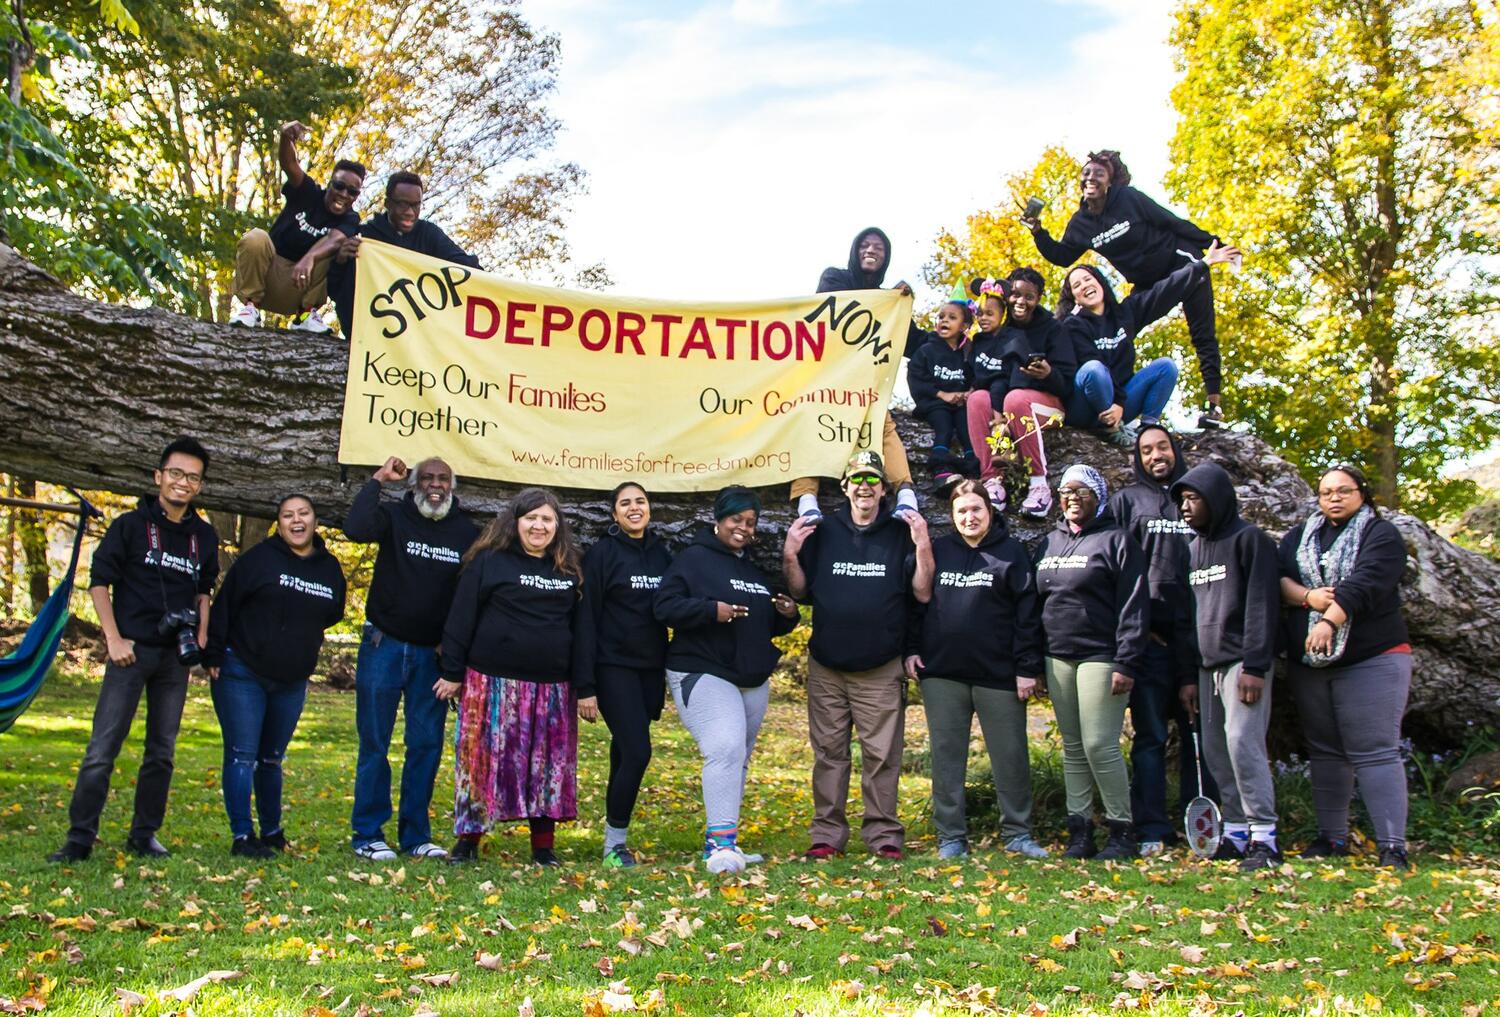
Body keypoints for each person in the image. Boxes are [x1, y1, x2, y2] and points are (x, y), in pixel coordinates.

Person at [49, 437, 220, 862]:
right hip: (130, 651)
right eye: (176, 473)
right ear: (158, 476)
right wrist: (112, 638)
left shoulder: (203, 536)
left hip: (173, 659)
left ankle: (144, 834)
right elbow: (100, 582)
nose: (183, 483)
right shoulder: (129, 526)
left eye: (193, 477)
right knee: (102, 749)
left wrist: (202, 635)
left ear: (200, 485)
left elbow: (203, 590)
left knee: (162, 752)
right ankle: (79, 838)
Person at [783, 451, 934, 861]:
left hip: (880, 667)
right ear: (845, 488)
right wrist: (791, 554)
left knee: (882, 755)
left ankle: (884, 834)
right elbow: (799, 592)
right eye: (857, 480)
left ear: (884, 490)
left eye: (872, 481)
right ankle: (827, 835)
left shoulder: (899, 531)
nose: (864, 487)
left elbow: (922, 591)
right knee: (829, 754)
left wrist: (922, 545)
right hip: (827, 666)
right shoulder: (825, 530)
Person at [1022, 149, 1234, 426]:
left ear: (1111, 181)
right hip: (1145, 282)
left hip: (1181, 264)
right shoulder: (1080, 224)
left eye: (1099, 173)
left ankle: (1213, 407)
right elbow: (1062, 257)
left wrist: (1213, 246)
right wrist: (1038, 232)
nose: (1091, 177)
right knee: (1119, 332)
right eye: (1086, 173)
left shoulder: (1128, 199)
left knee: (1202, 333)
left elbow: (1170, 221)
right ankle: (1116, 401)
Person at [437, 488, 592, 866]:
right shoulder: (489, 560)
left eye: (547, 519)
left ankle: (543, 847)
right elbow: (461, 617)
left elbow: (585, 632)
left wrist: (586, 688)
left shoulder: (570, 569)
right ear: (516, 522)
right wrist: (452, 672)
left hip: (553, 690)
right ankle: (467, 841)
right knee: (480, 762)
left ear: (558, 527)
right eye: (531, 518)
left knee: (546, 767)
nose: (538, 526)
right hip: (490, 684)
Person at [653, 487, 800, 874]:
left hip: (751, 677)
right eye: (736, 520)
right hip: (702, 669)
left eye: (750, 522)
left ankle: (721, 839)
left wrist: (786, 613)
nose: (743, 528)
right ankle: (722, 847)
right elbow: (663, 607)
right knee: (724, 747)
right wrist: (708, 611)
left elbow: (767, 623)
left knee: (738, 759)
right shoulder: (693, 561)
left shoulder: (752, 570)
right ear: (718, 520)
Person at [905, 480, 1049, 860]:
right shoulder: (939, 551)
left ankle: (1018, 833)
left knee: (1010, 757)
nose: (969, 517)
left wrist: (1027, 668)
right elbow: (915, 603)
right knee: (947, 757)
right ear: (953, 517)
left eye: (976, 510)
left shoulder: (1012, 553)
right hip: (943, 674)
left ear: (989, 511)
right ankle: (951, 837)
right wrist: (911, 650)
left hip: (999, 675)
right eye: (962, 511)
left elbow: (1027, 616)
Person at [344, 455, 478, 862]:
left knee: (425, 745)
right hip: (383, 646)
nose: (435, 485)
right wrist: (378, 479)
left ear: (452, 487)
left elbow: (467, 598)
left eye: (442, 479)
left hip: (431, 659)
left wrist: (453, 653)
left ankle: (416, 835)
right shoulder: (394, 516)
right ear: (414, 484)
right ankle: (368, 834)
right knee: (375, 742)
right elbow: (354, 529)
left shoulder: (466, 532)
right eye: (427, 478)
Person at [1278, 465, 1412, 870]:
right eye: (1325, 492)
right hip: (1311, 662)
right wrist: (1308, 598)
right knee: (1325, 751)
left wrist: (1328, 620)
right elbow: (1278, 577)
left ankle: (1392, 846)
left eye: (1343, 491)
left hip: (1372, 656)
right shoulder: (1300, 536)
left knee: (1375, 751)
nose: (1334, 498)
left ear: (1362, 494)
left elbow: (1367, 582)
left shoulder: (1380, 535)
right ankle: (1332, 838)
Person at [203, 494, 346, 858]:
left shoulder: (329, 568)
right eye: (287, 515)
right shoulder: (258, 560)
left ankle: (271, 832)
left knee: (271, 758)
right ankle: (241, 836)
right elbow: (225, 606)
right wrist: (213, 653)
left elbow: (332, 614)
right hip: (242, 671)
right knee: (242, 754)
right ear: (279, 523)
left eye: (303, 514)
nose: (296, 521)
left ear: (315, 521)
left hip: (291, 680)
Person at [1108, 426, 1213, 856]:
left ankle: (1201, 823)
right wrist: (1132, 631)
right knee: (1149, 737)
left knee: (1198, 738)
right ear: (1138, 456)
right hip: (1147, 645)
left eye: (1162, 447)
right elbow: (1111, 568)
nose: (1156, 455)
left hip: (1200, 641)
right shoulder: (1127, 501)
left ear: (1175, 451)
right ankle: (1151, 826)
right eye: (1147, 450)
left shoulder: (1196, 499)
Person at [1171, 462, 1282, 871]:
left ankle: (1264, 837)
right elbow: (1188, 617)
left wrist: (1255, 664)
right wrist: (1188, 675)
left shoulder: (1249, 539)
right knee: (1216, 749)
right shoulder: (1194, 549)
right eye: (1182, 500)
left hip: (1242, 664)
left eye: (1193, 498)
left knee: (1242, 743)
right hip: (1205, 667)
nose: (1185, 507)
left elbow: (1262, 604)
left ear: (1216, 498)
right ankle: (1234, 832)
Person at [1034, 464, 1148, 860]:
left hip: (1102, 656)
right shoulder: (1049, 542)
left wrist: (1127, 661)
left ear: (1098, 496)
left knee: (1100, 744)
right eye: (1065, 490)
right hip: (1057, 658)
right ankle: (1079, 832)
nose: (1071, 497)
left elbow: (1134, 605)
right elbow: (1036, 604)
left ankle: (1122, 831)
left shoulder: (1117, 541)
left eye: (1081, 490)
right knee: (1074, 748)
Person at [1054, 240, 1238, 447]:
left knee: (1165, 367)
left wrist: (1203, 264)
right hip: (1087, 407)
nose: (1085, 285)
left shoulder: (1125, 313)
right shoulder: (1073, 325)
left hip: (1120, 405)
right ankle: (1112, 431)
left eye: (1088, 279)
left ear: (1100, 282)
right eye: (1077, 285)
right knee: (1094, 369)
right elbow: (1090, 362)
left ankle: (1147, 430)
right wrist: (1117, 403)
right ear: (1075, 298)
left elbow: (1164, 291)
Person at [575, 483, 674, 868]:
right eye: (625, 503)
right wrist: (585, 686)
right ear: (614, 513)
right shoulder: (601, 555)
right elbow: (586, 620)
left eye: (641, 502)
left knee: (623, 751)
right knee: (637, 750)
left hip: (650, 669)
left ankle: (612, 839)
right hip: (612, 666)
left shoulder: (662, 556)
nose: (634, 508)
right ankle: (614, 846)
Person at [793, 227, 921, 522]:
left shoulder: (890, 302)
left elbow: (911, 344)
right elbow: (829, 306)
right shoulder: (834, 277)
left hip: (864, 387)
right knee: (810, 425)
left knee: (883, 426)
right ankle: (806, 497)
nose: (871, 250)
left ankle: (905, 493)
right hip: (825, 379)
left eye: (879, 247)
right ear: (855, 250)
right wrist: (886, 299)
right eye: (865, 245)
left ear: (886, 258)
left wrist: (903, 307)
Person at [231, 120, 364, 333]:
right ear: (329, 184)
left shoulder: (350, 219)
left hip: (299, 287)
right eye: (339, 186)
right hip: (269, 274)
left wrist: (310, 258)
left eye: (352, 191)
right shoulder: (307, 192)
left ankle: (304, 315)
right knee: (256, 237)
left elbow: (336, 239)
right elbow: (289, 164)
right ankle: (251, 307)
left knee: (338, 247)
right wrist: (286, 137)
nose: (343, 194)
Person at [965, 269, 1077, 517]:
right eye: (1015, 294)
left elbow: (1067, 385)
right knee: (977, 399)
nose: (1020, 302)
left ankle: (1039, 486)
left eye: (1029, 296)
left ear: (1038, 299)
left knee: (1015, 399)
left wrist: (1048, 373)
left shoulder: (1053, 329)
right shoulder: (997, 328)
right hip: (1004, 405)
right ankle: (992, 482)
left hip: (1047, 405)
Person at [328, 170, 482, 336]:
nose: (410, 212)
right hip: (369, 331)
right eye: (403, 204)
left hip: (418, 331)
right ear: (388, 203)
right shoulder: (365, 236)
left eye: (416, 205)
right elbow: (335, 290)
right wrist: (340, 261)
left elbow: (465, 267)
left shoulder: (428, 234)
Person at [905, 300, 976, 485]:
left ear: (965, 326)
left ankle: (972, 467)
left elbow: (976, 376)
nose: (944, 321)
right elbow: (916, 377)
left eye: (952, 318)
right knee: (944, 427)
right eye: (941, 317)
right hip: (934, 403)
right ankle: (940, 468)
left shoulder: (968, 352)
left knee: (965, 429)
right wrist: (941, 394)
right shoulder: (926, 350)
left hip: (960, 405)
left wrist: (969, 392)